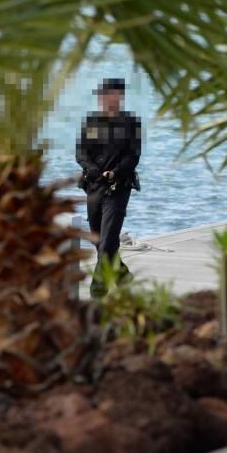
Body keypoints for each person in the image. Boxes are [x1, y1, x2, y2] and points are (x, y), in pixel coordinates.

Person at [76, 78, 142, 297]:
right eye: (101, 95)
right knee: (99, 240)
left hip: (118, 188)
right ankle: (122, 275)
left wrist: (115, 173)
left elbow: (134, 156)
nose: (104, 99)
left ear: (119, 96)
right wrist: (93, 170)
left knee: (108, 240)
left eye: (108, 94)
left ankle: (98, 291)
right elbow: (81, 154)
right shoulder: (91, 122)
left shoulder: (132, 123)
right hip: (94, 187)